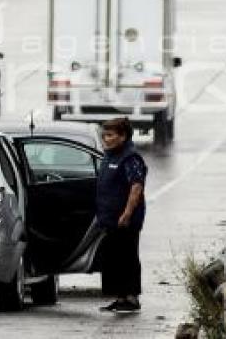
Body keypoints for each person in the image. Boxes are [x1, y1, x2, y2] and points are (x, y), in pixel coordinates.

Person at [96, 117, 147, 314]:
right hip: (109, 219)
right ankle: (120, 297)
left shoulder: (130, 158)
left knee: (127, 257)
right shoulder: (110, 156)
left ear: (123, 136)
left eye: (110, 135)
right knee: (113, 258)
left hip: (125, 220)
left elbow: (136, 187)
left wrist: (127, 214)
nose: (106, 139)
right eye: (104, 135)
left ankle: (131, 297)